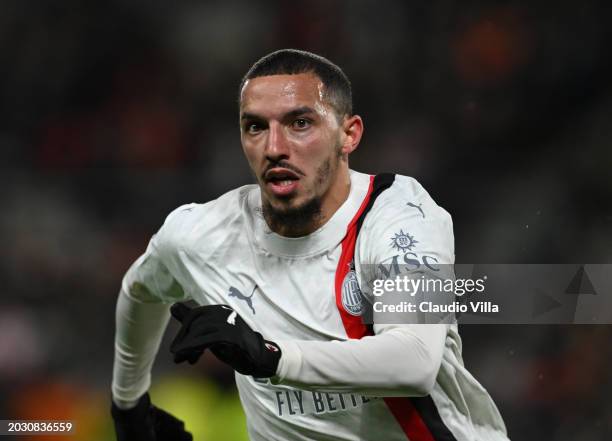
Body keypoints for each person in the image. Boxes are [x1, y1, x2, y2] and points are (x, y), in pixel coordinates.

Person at [111, 49, 509, 441]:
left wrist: (270, 356)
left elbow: (414, 361)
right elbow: (141, 290)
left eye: (299, 123)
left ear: (348, 134)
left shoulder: (401, 216)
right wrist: (128, 405)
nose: (274, 147)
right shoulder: (201, 235)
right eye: (255, 127)